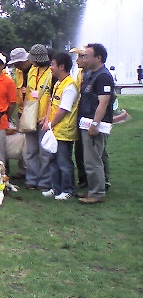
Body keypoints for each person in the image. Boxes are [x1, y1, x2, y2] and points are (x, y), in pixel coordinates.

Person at [77, 43, 115, 204]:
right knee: (90, 158)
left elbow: (103, 103)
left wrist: (95, 124)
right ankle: (93, 189)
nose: (84, 58)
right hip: (86, 122)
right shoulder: (91, 74)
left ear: (98, 57)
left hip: (94, 124)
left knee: (93, 160)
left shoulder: (103, 76)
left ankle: (97, 193)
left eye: (87, 55)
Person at [41, 52, 79, 201]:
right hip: (54, 130)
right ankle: (56, 188)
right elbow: (52, 103)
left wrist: (50, 123)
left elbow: (64, 109)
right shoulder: (58, 83)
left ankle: (67, 190)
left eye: (53, 64)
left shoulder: (69, 85)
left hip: (64, 131)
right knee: (53, 160)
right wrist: (46, 121)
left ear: (61, 66)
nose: (51, 67)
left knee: (64, 162)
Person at [22, 44, 53, 191]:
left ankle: (45, 181)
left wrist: (47, 117)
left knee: (44, 152)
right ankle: (32, 178)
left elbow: (53, 97)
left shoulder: (51, 73)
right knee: (31, 150)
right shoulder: (32, 71)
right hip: (30, 116)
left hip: (43, 118)